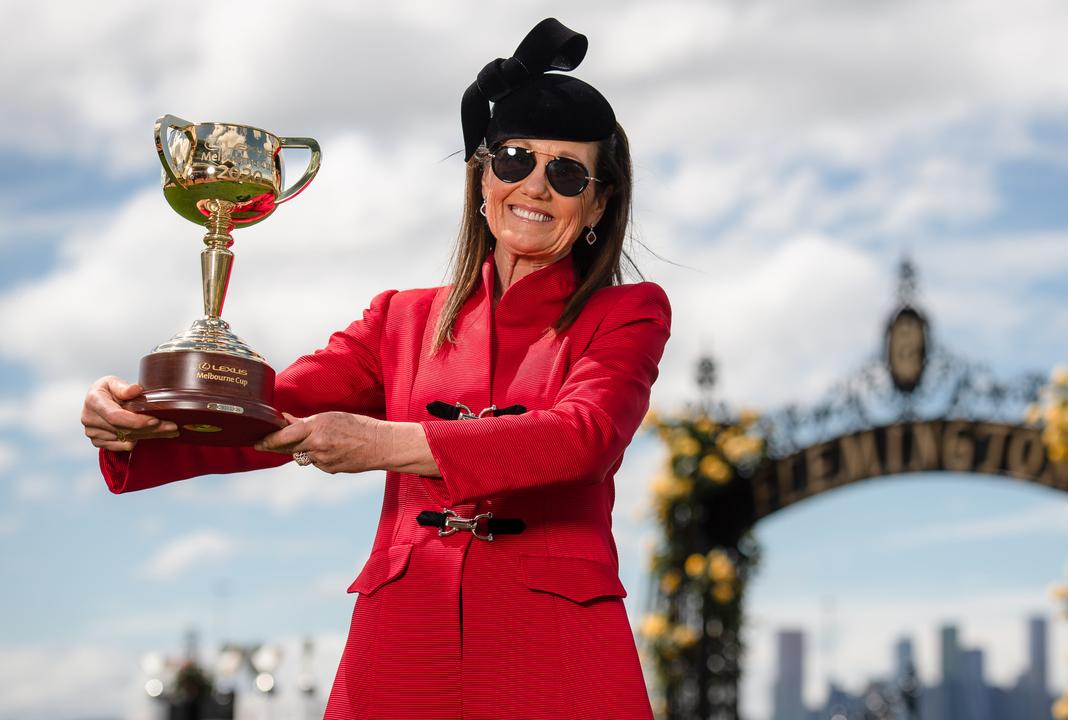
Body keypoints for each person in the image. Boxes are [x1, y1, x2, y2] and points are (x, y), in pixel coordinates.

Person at [80, 18, 667, 720]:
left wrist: (385, 444)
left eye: (565, 172)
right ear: (483, 177)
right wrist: (141, 419)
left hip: (555, 655)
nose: (534, 186)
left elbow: (584, 436)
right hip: (401, 650)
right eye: (513, 159)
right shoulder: (398, 319)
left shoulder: (629, 314)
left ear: (598, 202)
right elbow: (276, 406)